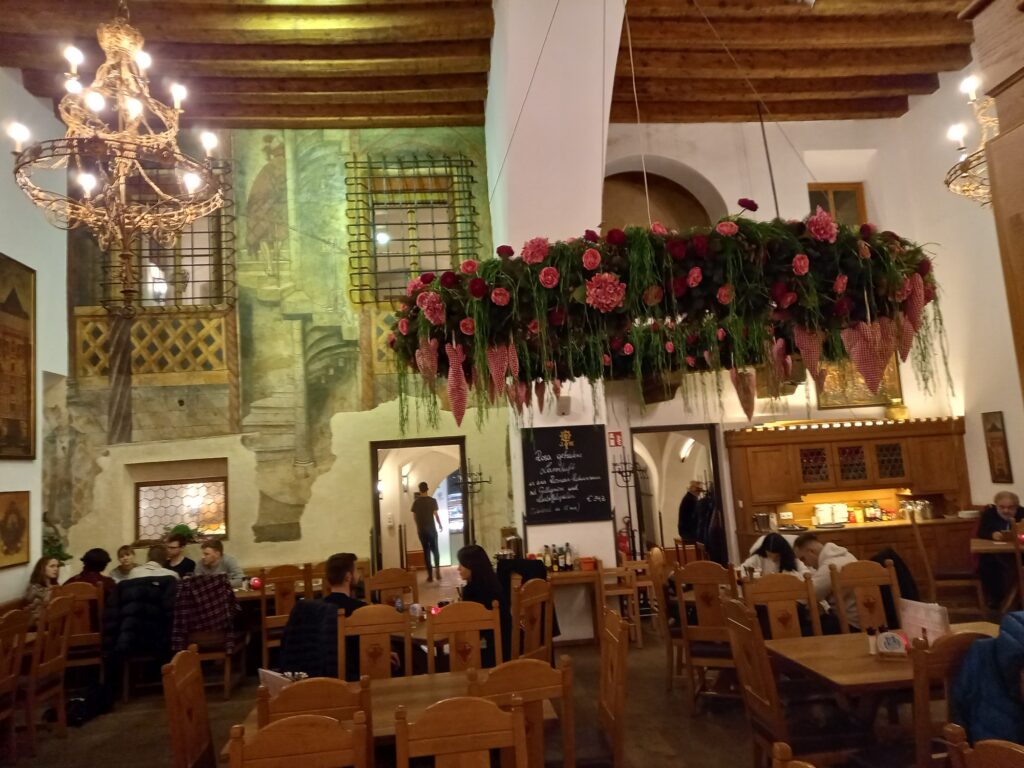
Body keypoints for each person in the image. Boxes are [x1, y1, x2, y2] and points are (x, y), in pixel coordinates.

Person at [793, 533, 861, 629]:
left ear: (811, 551)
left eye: (803, 558)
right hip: (863, 617)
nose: (805, 564)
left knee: (801, 625)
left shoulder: (830, 567)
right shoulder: (847, 555)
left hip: (849, 623)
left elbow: (807, 595)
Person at [456, 544, 505, 667]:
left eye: (461, 564)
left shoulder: (471, 591)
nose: (458, 568)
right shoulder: (495, 583)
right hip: (503, 647)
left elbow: (468, 627)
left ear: (472, 566)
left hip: (484, 655)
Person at [976, 490, 1024, 608]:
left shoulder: (1022, 512)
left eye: (1010, 507)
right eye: (1002, 507)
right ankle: (996, 598)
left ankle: (1019, 598)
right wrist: (992, 534)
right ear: (996, 506)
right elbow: (981, 531)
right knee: (987, 564)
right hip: (995, 552)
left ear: (1016, 507)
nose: (1006, 511)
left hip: (1019, 552)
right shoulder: (989, 513)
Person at [411, 482, 443, 582]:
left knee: (426, 552)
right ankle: (437, 571)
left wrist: (418, 527)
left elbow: (414, 517)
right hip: (432, 530)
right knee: (435, 550)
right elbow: (436, 514)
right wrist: (440, 524)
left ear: (420, 490)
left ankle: (430, 576)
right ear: (427, 489)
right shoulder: (432, 501)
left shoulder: (416, 502)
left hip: (422, 531)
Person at [742, 533, 809, 577]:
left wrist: (802, 574)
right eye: (770, 555)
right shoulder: (758, 558)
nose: (773, 559)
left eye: (777, 556)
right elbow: (743, 569)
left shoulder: (790, 558)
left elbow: (804, 570)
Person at [322, 552, 367, 617]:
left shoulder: (317, 609)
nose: (359, 575)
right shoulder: (362, 609)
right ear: (348, 577)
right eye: (356, 570)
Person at [24, 556, 59, 625]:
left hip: (53, 620)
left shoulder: (55, 585)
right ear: (42, 568)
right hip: (38, 624)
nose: (56, 569)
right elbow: (32, 610)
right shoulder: (34, 588)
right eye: (52, 566)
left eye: (57, 566)